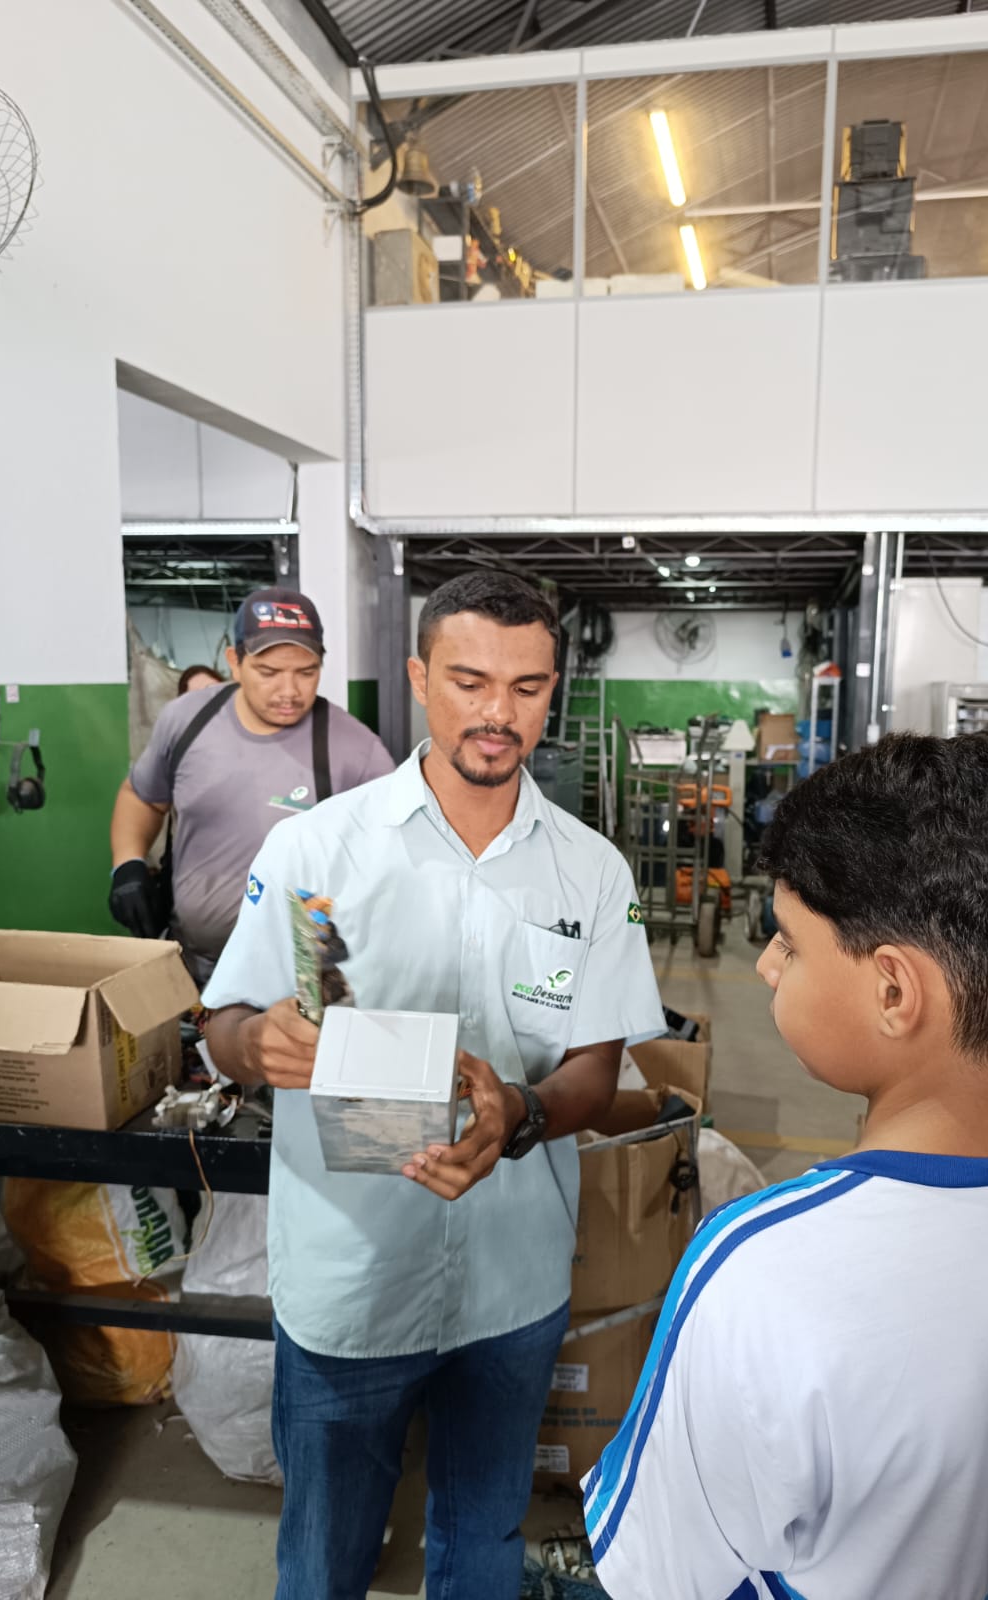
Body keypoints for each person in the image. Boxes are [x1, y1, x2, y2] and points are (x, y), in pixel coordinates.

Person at [584, 732, 988, 1600]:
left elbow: (669, 1577)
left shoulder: (763, 1270)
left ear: (894, 991)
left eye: (789, 942)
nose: (768, 966)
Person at [201, 572, 663, 1600]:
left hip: (513, 1281)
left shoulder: (590, 875)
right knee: (323, 1558)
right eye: (469, 681)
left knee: (483, 1542)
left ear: (553, 691)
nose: (499, 713)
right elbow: (225, 1022)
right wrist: (257, 1042)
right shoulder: (320, 853)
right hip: (351, 1274)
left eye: (527, 687)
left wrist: (524, 1111)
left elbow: (594, 1071)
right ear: (417, 678)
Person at [108, 587, 393, 982]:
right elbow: (142, 797)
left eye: (306, 672)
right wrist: (128, 865)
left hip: (298, 981)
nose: (289, 691)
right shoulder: (187, 721)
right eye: (269, 672)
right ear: (235, 663)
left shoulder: (357, 751)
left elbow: (394, 860)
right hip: (193, 968)